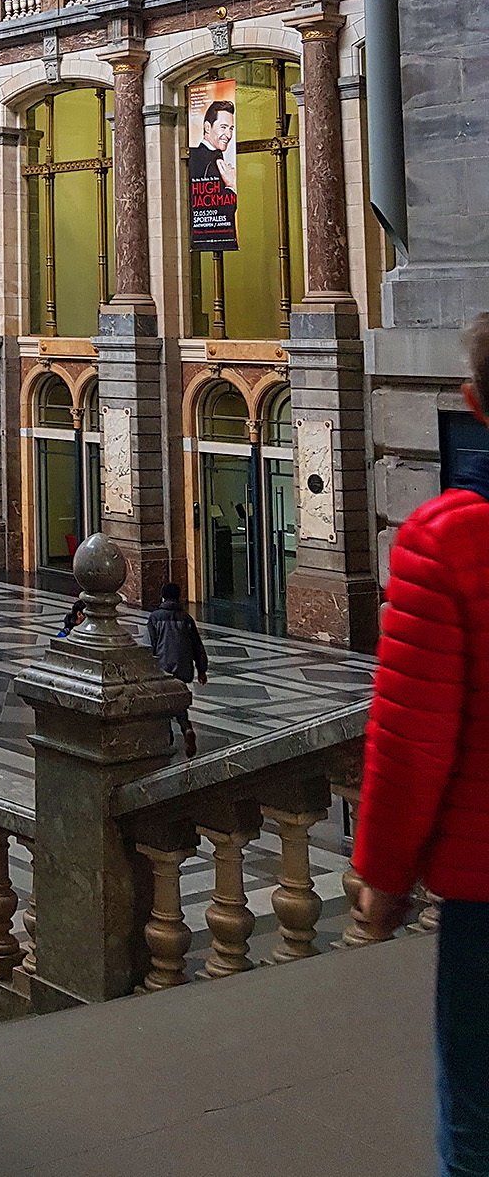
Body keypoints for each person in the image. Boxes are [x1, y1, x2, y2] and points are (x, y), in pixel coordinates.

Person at [352, 313, 489, 1175]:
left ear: (472, 402)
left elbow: (411, 743)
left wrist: (383, 879)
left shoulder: (446, 543)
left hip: (484, 897)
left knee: (476, 1124)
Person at [146, 581, 209, 760]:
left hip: (163, 666)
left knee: (164, 702)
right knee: (179, 700)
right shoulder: (186, 618)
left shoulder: (155, 617)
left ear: (163, 597)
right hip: (183, 667)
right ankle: (186, 727)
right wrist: (202, 670)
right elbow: (197, 645)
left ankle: (168, 736)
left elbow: (151, 645)